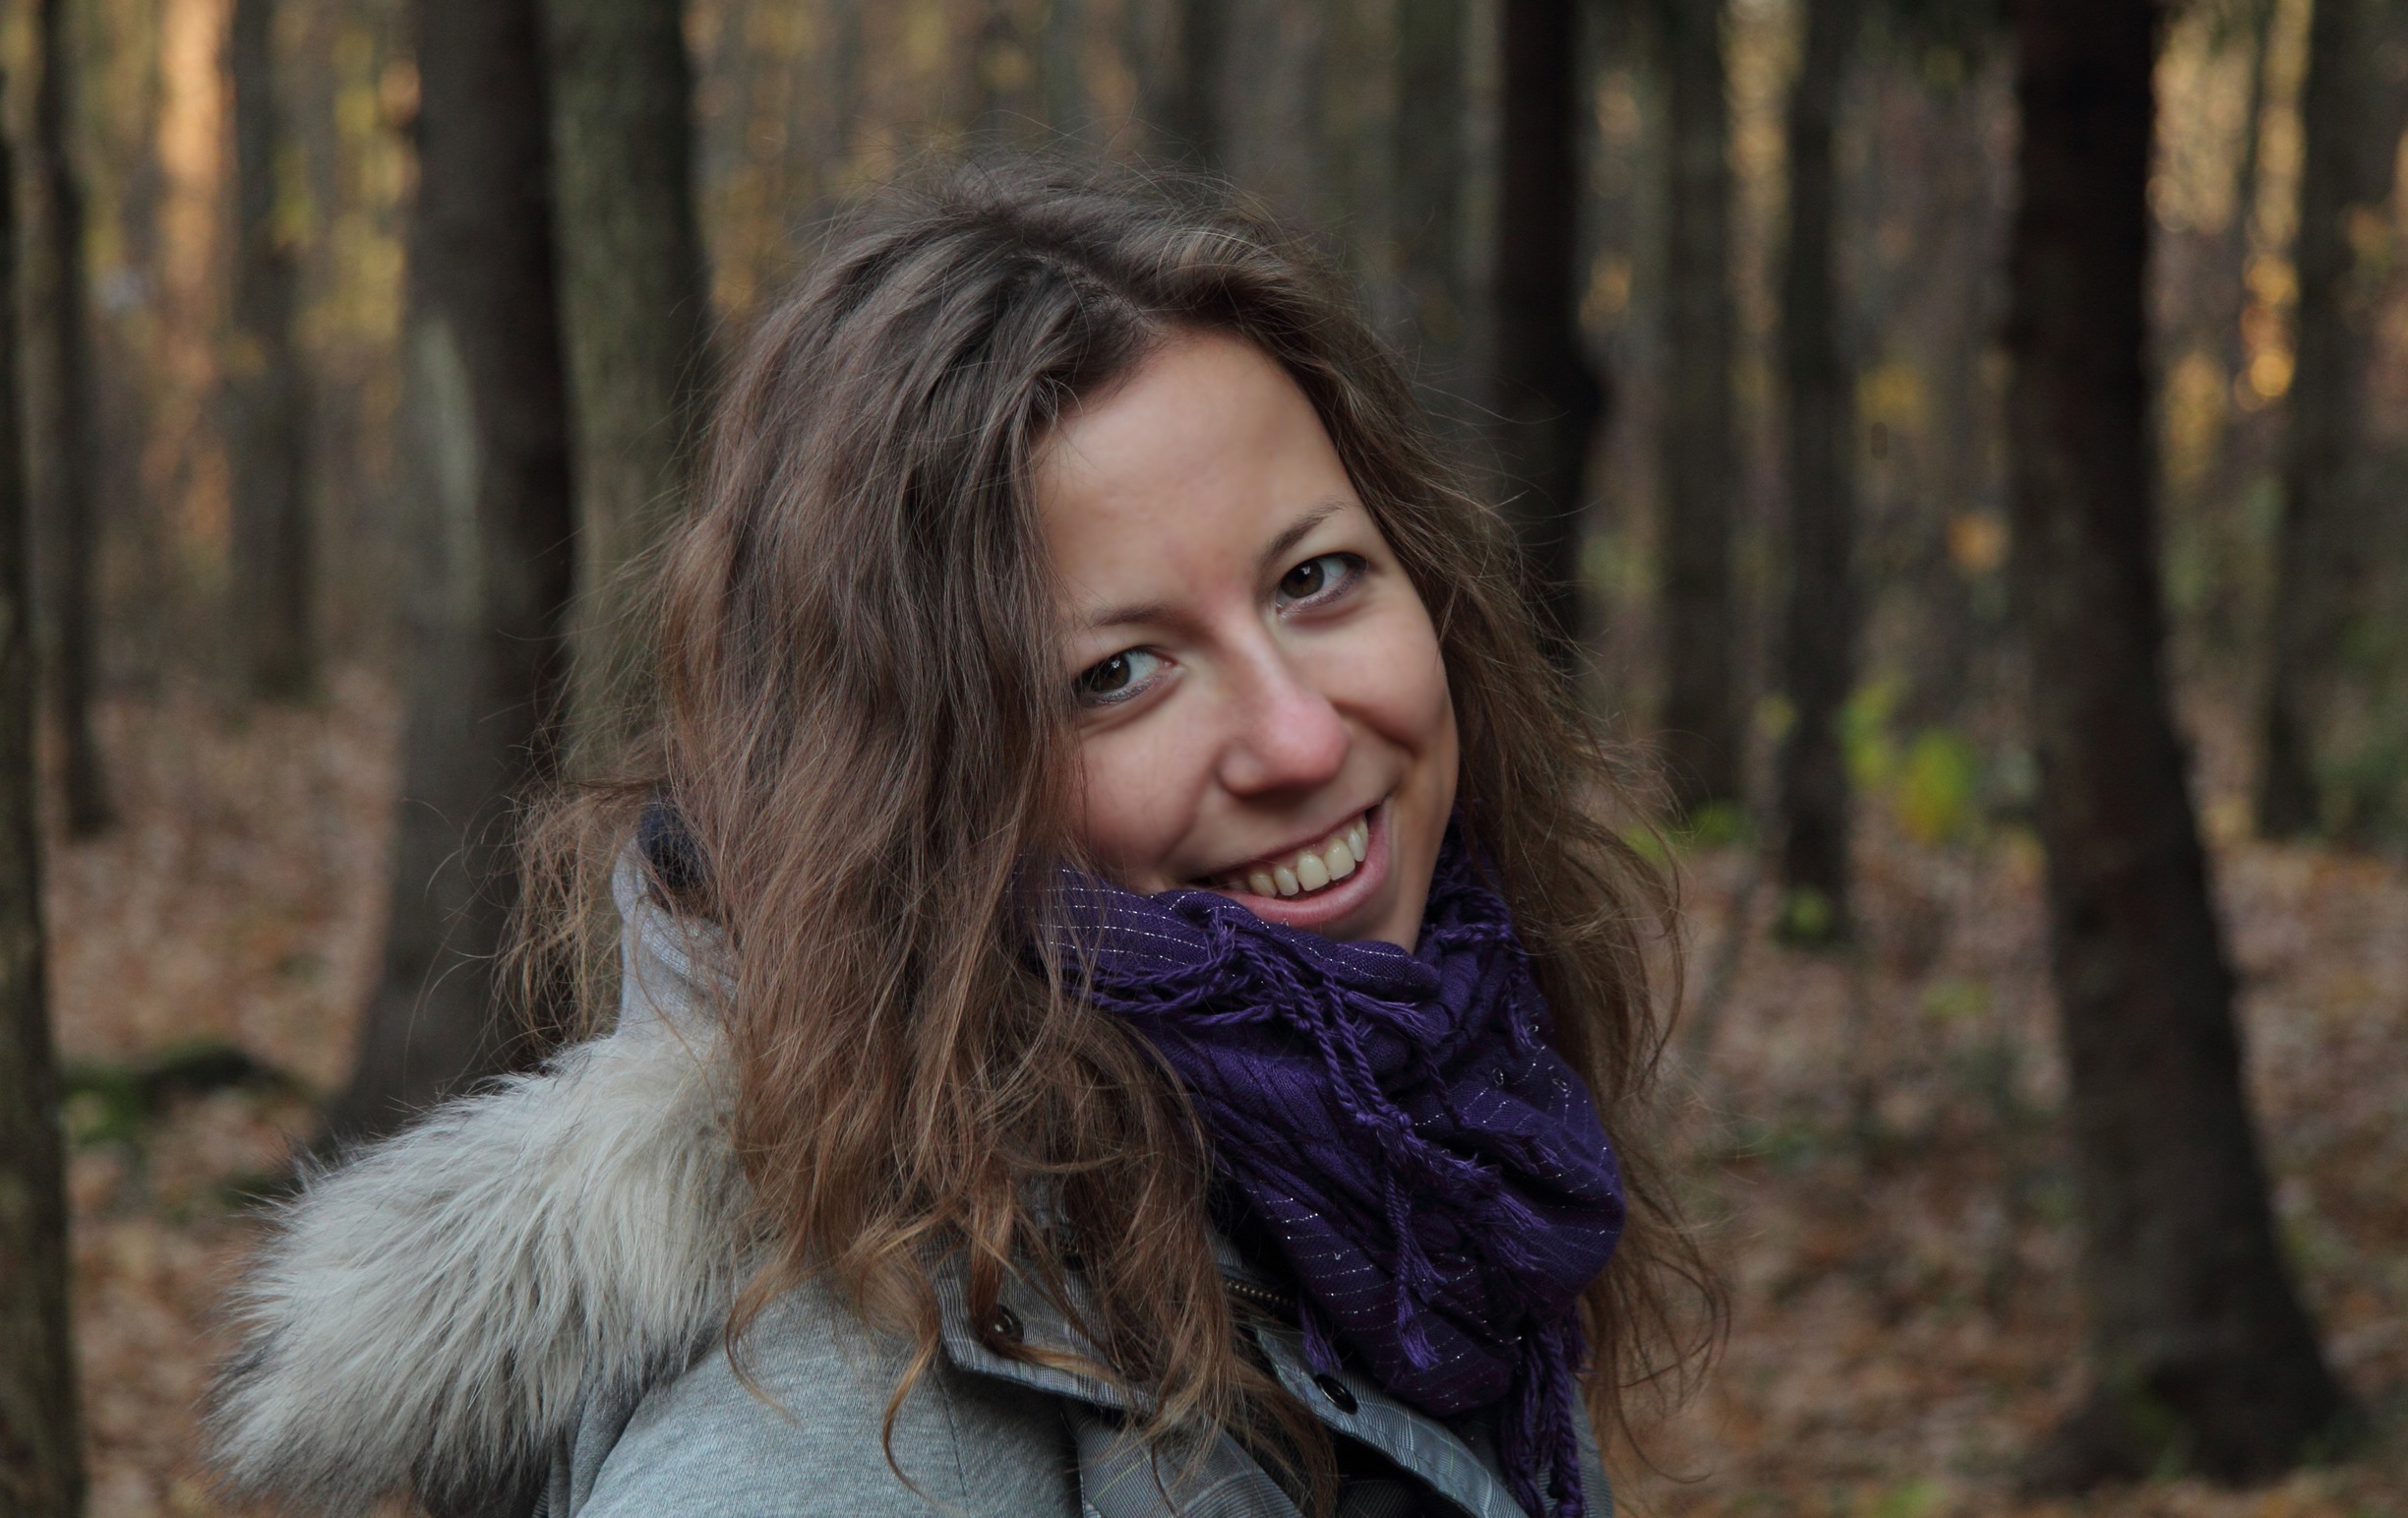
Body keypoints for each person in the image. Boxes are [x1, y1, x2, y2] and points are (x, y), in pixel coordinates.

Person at [208, 169, 1715, 1518]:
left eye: (1315, 579)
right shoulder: (821, 1450)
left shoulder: (1435, 1142)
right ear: (903, 797)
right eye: (1118, 674)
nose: (1305, 739)